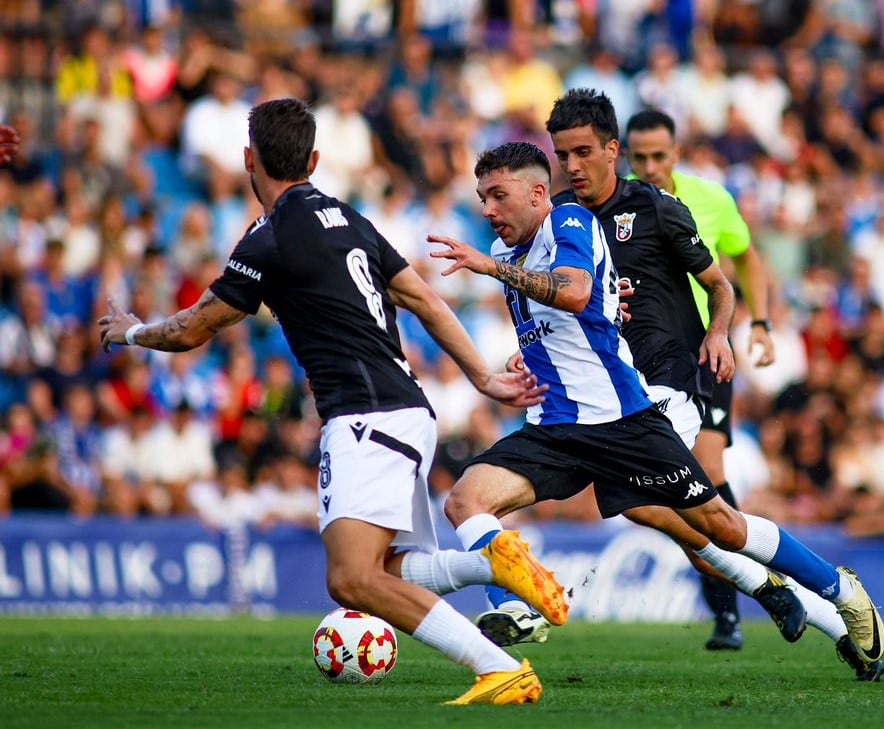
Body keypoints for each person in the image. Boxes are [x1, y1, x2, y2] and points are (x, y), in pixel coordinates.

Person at [98, 97, 567, 706]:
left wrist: (132, 330)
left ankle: (497, 666)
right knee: (385, 572)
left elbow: (191, 330)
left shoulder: (269, 239)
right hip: (408, 411)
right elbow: (423, 299)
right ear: (314, 159)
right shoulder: (350, 219)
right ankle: (491, 566)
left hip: (363, 418)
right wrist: (480, 374)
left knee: (351, 579)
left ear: (249, 160)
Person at [423, 140, 884, 676]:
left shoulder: (568, 221)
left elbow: (574, 294)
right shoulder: (512, 259)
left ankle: (840, 590)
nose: (487, 210)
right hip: (554, 428)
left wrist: (489, 268)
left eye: (498, 196)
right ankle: (518, 609)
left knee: (723, 527)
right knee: (465, 501)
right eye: (482, 199)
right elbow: (567, 325)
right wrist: (521, 362)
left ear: (537, 193)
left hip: (623, 422)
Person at [544, 89, 883, 679]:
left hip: (674, 380)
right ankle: (813, 598)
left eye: (581, 153)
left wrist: (725, 333)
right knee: (686, 517)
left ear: (611, 150)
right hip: (609, 392)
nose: (571, 167)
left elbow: (723, 282)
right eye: (561, 155)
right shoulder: (563, 222)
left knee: (700, 508)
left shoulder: (663, 207)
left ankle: (795, 595)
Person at [624, 107, 775, 652]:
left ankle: (732, 607)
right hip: (638, 360)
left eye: (659, 156)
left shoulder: (710, 199)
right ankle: (750, 575)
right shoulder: (613, 208)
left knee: (706, 469)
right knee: (666, 487)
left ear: (677, 153)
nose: (650, 166)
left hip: (705, 350)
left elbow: (746, 257)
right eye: (639, 158)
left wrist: (760, 322)